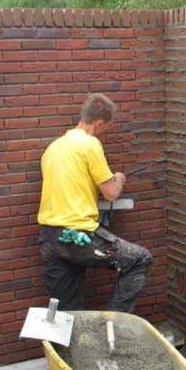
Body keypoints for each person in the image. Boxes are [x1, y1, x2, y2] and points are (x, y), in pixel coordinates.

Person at [37, 93, 153, 312]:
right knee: (140, 259)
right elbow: (110, 193)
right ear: (99, 123)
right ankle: (111, 325)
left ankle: (64, 347)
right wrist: (118, 178)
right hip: (76, 236)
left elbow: (70, 185)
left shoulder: (53, 148)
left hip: (51, 238)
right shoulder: (89, 144)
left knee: (66, 310)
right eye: (106, 127)